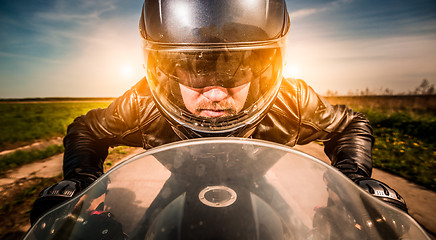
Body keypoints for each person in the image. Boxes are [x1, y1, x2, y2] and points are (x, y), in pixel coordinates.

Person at [30, 0, 407, 225]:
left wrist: (352, 184)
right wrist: (81, 182)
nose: (213, 92)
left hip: (258, 183)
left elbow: (350, 125)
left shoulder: (291, 98)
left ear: (267, 66)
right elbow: (87, 130)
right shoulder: (144, 101)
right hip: (178, 184)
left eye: (236, 68)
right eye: (191, 69)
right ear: (160, 69)